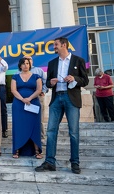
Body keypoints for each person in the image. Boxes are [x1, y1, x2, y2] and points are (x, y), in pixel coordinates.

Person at [35, 37, 89, 174]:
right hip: (56, 98)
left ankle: (75, 163)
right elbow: (47, 83)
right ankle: (50, 162)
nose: (54, 47)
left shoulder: (78, 60)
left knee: (74, 133)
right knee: (51, 131)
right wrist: (51, 83)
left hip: (71, 98)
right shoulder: (52, 63)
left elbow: (85, 80)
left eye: (56, 45)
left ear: (64, 45)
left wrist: (74, 79)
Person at [11, 58, 42, 159]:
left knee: (34, 127)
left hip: (33, 103)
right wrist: (22, 99)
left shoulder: (36, 76)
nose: (26, 65)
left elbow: (39, 90)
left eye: (27, 63)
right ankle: (17, 150)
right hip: (19, 104)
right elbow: (13, 90)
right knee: (19, 126)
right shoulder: (15, 77)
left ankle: (37, 150)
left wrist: (29, 98)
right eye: (23, 63)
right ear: (20, 65)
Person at [21, 55, 48, 144]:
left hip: (38, 97)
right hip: (25, 99)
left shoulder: (38, 70)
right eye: (25, 60)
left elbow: (45, 81)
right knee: (26, 119)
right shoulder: (19, 72)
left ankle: (41, 138)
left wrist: (43, 91)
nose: (28, 61)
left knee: (39, 119)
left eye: (29, 59)